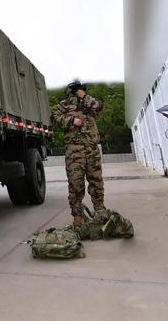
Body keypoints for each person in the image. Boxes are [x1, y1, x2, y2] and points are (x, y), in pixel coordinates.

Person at [52, 80, 105, 227]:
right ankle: (77, 215)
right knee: (75, 183)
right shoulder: (64, 105)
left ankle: (99, 210)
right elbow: (54, 118)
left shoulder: (89, 103)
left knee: (96, 180)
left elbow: (98, 107)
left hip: (91, 148)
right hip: (74, 150)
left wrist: (84, 97)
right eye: (78, 89)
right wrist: (71, 120)